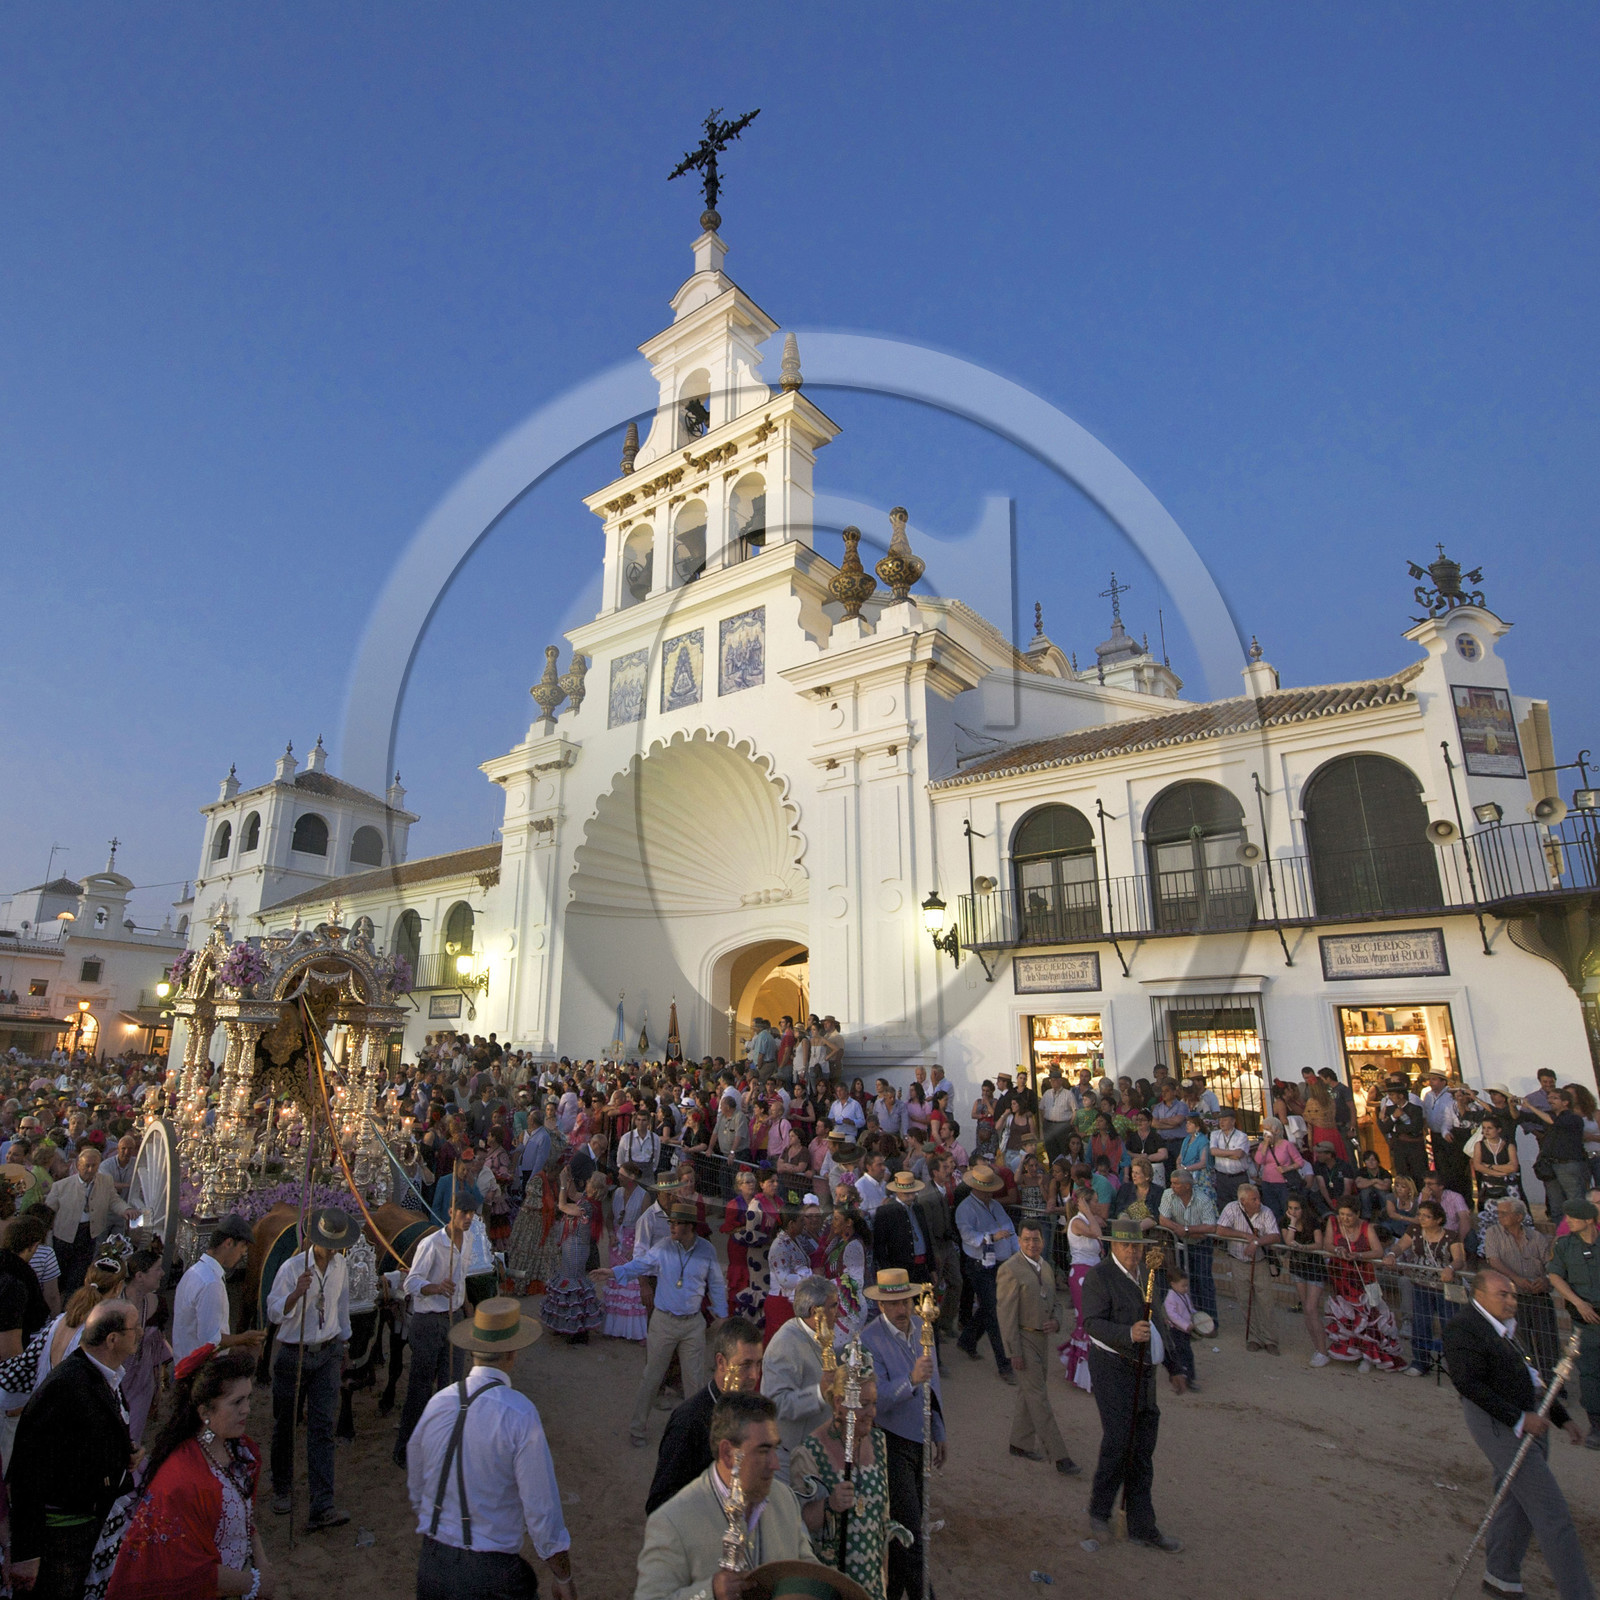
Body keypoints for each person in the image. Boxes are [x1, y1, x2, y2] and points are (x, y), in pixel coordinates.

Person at [405, 1297, 576, 1600]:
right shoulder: (519, 1413)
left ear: (472, 1351)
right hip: (489, 1570)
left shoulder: (439, 1402)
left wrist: (441, 1525)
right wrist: (563, 1575)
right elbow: (541, 1510)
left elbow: (417, 1478)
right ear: (512, 1353)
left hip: (433, 1563)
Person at [1441, 1270, 1594, 1600]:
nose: (1512, 1301)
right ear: (1479, 1295)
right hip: (1498, 1422)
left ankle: (1501, 1577)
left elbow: (1531, 1376)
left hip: (1527, 1416)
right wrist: (1520, 1418)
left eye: (1512, 1295)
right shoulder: (1463, 1328)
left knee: (1515, 1501)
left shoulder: (1503, 1324)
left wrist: (1561, 1418)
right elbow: (1467, 1384)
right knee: (1553, 1515)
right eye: (1503, 1295)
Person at [104, 1344, 271, 1600]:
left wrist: (262, 1566)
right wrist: (255, 1584)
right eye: (237, 1402)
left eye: (248, 1398)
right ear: (204, 1412)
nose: (247, 1409)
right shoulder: (181, 1477)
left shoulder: (241, 1451)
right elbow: (184, 1570)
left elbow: (246, 1519)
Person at [7, 1299, 143, 1600]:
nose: (140, 1333)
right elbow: (27, 1469)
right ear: (112, 1339)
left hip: (83, 1528)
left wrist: (126, 1452)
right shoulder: (66, 1386)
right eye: (135, 1329)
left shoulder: (105, 1375)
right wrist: (26, 1554)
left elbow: (87, 1436)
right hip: (59, 1537)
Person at [635, 1392, 815, 1600]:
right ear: (728, 1454)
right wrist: (708, 1593)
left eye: (775, 1448)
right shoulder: (672, 1521)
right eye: (763, 1451)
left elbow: (808, 1571)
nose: (775, 1464)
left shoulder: (784, 1499)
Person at [1079, 1218, 1182, 1553]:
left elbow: (1159, 1324)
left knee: (1142, 1451)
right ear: (1113, 1246)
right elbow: (1092, 1323)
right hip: (1113, 1369)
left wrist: (1174, 1366)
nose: (1133, 1252)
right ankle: (1100, 1508)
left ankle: (1142, 1525)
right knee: (1119, 1441)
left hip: (1144, 1375)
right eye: (1127, 1246)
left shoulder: (1147, 1276)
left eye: (1137, 1246)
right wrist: (1127, 1334)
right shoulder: (1099, 1277)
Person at [596, 1202, 729, 1448]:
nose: (671, 1227)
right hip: (664, 1322)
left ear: (690, 1226)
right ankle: (637, 1427)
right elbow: (639, 1265)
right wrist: (613, 1272)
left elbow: (717, 1283)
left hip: (692, 1325)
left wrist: (721, 1315)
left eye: (676, 1223)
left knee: (694, 1382)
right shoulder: (663, 1247)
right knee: (651, 1376)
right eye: (671, 1222)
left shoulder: (707, 1251)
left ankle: (696, 1434)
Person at [264, 1205, 353, 1530]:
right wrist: (295, 1295)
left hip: (327, 1351)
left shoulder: (341, 1265)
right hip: (293, 1353)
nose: (333, 1249)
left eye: (338, 1243)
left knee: (322, 1428)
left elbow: (341, 1307)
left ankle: (323, 1503)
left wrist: (344, 1344)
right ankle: (283, 1487)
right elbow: (274, 1312)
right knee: (285, 1423)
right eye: (329, 1242)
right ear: (316, 1239)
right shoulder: (292, 1269)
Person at [859, 1270, 943, 1600]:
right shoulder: (869, 1340)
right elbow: (875, 1398)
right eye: (892, 1303)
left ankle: (891, 1593)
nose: (901, 1309)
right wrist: (911, 1379)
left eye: (905, 1301)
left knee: (908, 1525)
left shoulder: (924, 1327)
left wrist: (939, 1429)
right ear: (881, 1306)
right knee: (910, 1528)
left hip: (920, 1438)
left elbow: (934, 1384)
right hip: (890, 1442)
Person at [790, 1359, 897, 1600]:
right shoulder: (810, 1452)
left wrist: (883, 1575)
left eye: (874, 1404)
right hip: (830, 1584)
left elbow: (883, 1516)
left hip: (871, 1584)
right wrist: (830, 1504)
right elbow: (800, 1523)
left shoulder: (878, 1443)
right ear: (840, 1402)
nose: (873, 1413)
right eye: (864, 1404)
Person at [646, 1315, 764, 1515]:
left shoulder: (752, 1412)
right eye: (746, 1365)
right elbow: (658, 1504)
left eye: (759, 1364)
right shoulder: (689, 1421)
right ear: (721, 1362)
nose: (754, 1375)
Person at [395, 1190, 480, 1469]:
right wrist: (436, 1287)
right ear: (450, 1212)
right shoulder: (431, 1244)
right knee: (420, 1388)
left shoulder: (468, 1241)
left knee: (452, 1386)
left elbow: (463, 1280)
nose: (468, 1218)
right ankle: (406, 1450)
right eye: (463, 1213)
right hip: (429, 1321)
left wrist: (468, 1311)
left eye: (472, 1213)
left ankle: (444, 1447)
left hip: (454, 1320)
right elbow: (411, 1283)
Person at [996, 1219, 1079, 1476]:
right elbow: (1006, 1314)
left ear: (1043, 1241)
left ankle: (1019, 1443)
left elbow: (1055, 1301)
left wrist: (1056, 1320)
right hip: (1023, 1339)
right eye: (1027, 1239)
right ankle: (1060, 1456)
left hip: (1041, 1339)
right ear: (1019, 1241)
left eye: (1036, 1239)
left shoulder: (1045, 1267)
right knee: (1039, 1397)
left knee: (1029, 1393)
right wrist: (1013, 1352)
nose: (1032, 1244)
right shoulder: (1010, 1269)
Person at [1322, 1199, 1406, 1372]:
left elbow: (1378, 1251)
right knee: (1347, 1318)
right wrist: (1338, 1250)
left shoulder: (1367, 1227)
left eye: (1349, 1215)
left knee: (1368, 1319)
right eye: (1342, 1214)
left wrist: (1358, 1255)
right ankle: (1352, 1352)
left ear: (1357, 1214)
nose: (1345, 1218)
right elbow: (1328, 1244)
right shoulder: (1333, 1222)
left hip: (1363, 1279)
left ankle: (1370, 1356)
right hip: (1341, 1277)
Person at [171, 1215, 264, 1365]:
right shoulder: (211, 1283)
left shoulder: (195, 1271)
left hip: (186, 1363)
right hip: (198, 1371)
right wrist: (244, 1338)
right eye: (242, 1248)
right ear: (228, 1243)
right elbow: (211, 1341)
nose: (242, 1254)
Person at [44, 1145, 137, 1295]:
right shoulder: (61, 1186)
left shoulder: (105, 1181)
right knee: (61, 1273)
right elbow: (48, 1212)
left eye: (94, 1166)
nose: (90, 1169)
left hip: (89, 1233)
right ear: (79, 1166)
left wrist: (126, 1210)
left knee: (79, 1274)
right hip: (64, 1236)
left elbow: (114, 1200)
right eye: (87, 1165)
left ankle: (72, 1303)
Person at [953, 1164, 1016, 1383]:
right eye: (987, 1188)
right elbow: (968, 1235)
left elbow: (1010, 1229)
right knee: (994, 1312)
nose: (991, 1192)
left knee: (990, 1307)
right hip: (978, 1263)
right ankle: (1004, 1365)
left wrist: (1015, 1251)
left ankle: (968, 1340)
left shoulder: (996, 1205)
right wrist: (991, 1237)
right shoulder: (965, 1208)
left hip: (998, 1262)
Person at [1483, 1197, 1560, 1379]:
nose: (1499, 1216)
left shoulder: (1536, 1237)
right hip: (1513, 1297)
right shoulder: (1494, 1233)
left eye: (1504, 1213)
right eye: (1499, 1212)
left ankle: (1553, 1382)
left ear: (1518, 1217)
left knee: (1547, 1341)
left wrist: (1545, 1279)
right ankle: (1528, 1380)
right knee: (1520, 1341)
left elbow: (1549, 1263)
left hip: (1538, 1295)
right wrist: (1516, 1279)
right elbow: (1494, 1260)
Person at [1546, 1198, 1600, 1448]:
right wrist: (1578, 1302)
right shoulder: (1566, 1245)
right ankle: (1596, 1426)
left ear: (1589, 1220)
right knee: (1589, 1373)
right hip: (1586, 1321)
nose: (1567, 1221)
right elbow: (1555, 1275)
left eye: (1573, 1218)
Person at [541, 1173, 605, 1344]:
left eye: (591, 1181)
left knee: (572, 1283)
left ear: (595, 1189)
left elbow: (562, 1205)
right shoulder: (587, 1201)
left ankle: (577, 1328)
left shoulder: (589, 1207)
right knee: (568, 1280)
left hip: (577, 1247)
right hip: (572, 1245)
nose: (588, 1182)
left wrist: (562, 1184)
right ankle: (568, 1324)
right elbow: (572, 1195)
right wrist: (568, 1180)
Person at [870, 1171, 932, 1286]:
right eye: (906, 1193)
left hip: (922, 1265)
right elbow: (880, 1245)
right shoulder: (886, 1212)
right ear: (897, 1192)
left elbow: (926, 1236)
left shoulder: (918, 1208)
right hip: (900, 1267)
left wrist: (932, 1268)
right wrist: (887, 1270)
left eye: (912, 1192)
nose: (910, 1196)